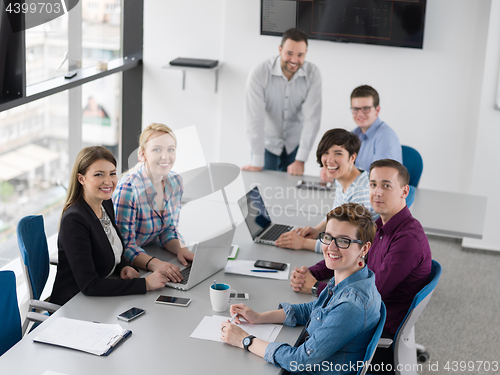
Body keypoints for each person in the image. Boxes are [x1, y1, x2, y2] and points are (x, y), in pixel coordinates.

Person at [291, 159, 432, 373]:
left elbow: (373, 292)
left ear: (404, 191)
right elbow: (348, 253)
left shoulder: (408, 239)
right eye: (373, 184)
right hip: (360, 312)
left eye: (386, 185)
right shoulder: (380, 225)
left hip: (371, 324)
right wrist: (312, 272)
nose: (377, 192)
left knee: (293, 347)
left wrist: (314, 288)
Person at [220, 203, 381, 375]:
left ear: (364, 248)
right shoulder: (353, 276)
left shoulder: (351, 305)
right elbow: (315, 309)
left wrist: (245, 340)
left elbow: (299, 361)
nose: (331, 247)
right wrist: (259, 317)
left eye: (343, 241)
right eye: (328, 237)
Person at [50, 146, 168, 306]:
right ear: (81, 179)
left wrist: (123, 266)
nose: (108, 181)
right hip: (74, 304)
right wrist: (145, 284)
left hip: (101, 295)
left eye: (112, 173)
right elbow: (89, 285)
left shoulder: (105, 202)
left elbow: (111, 246)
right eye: (99, 174)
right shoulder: (74, 220)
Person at [113, 123, 194, 283]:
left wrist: (181, 249)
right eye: (157, 149)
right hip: (127, 268)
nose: (165, 156)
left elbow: (168, 229)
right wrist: (156, 264)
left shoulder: (175, 182)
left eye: (170, 149)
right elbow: (124, 246)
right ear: (142, 155)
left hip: (152, 251)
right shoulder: (129, 188)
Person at [275, 128, 375, 251]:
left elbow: (348, 245)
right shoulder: (345, 178)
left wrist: (304, 243)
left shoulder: (361, 192)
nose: (330, 160)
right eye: (326, 152)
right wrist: (317, 230)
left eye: (338, 153)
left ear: (352, 157)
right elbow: (336, 215)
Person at [242, 28, 322, 176]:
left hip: (294, 144)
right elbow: (255, 118)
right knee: (261, 190)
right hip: (267, 144)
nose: (294, 60)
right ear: (280, 49)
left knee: (289, 195)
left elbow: (313, 118)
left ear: (306, 54)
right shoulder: (259, 73)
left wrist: (301, 160)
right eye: (289, 53)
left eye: (300, 55)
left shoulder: (313, 74)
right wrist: (257, 162)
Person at [320, 85, 401, 181]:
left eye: (366, 108)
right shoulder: (355, 133)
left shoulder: (386, 137)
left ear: (377, 110)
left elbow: (381, 178)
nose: (360, 114)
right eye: (355, 109)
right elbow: (347, 167)